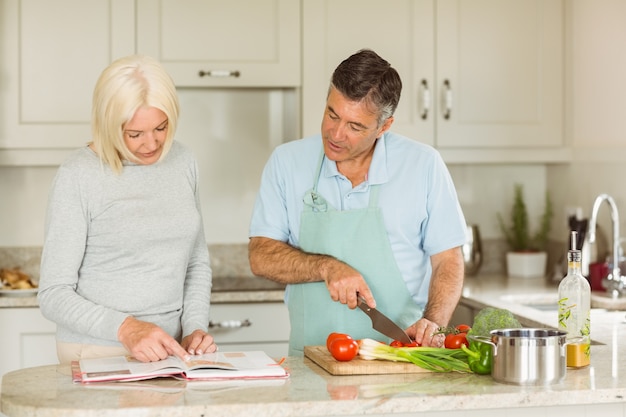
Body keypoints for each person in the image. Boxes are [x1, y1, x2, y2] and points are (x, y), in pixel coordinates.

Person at [248, 49, 467, 355]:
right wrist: (325, 267)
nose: (335, 134)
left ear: (384, 127)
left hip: (403, 357)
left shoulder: (423, 165)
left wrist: (433, 322)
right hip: (310, 363)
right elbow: (260, 255)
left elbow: (448, 259)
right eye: (331, 114)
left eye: (355, 126)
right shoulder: (287, 162)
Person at [38, 55, 216, 364]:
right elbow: (53, 294)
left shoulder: (184, 161)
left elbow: (196, 263)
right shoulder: (78, 175)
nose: (151, 144)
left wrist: (194, 327)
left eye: (161, 128)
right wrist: (126, 329)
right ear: (108, 125)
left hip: (170, 348)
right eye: (134, 134)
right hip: (98, 349)